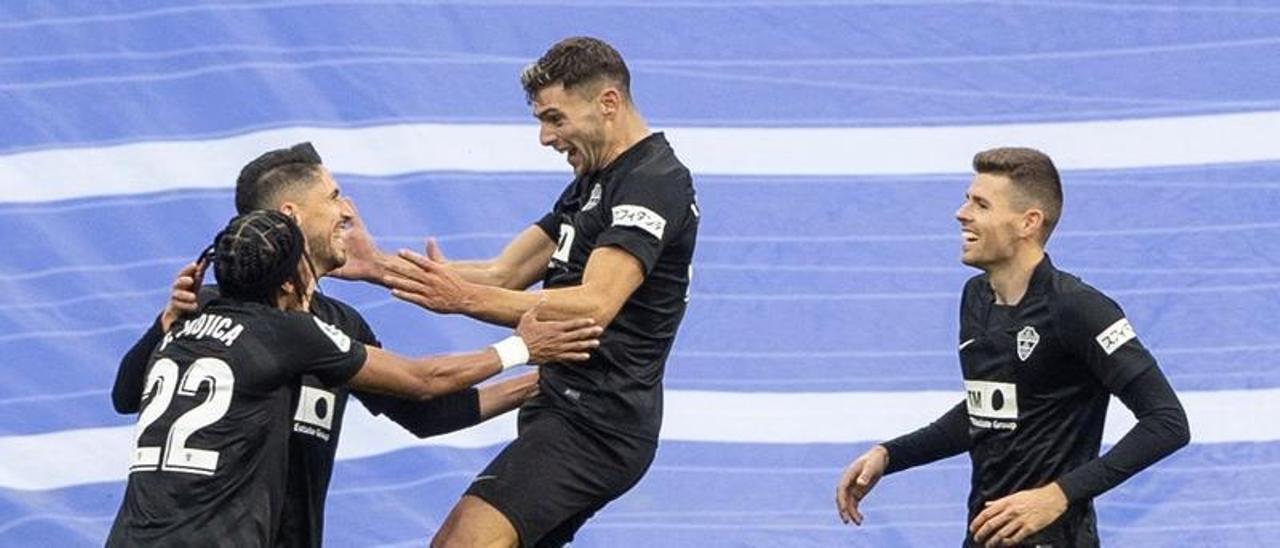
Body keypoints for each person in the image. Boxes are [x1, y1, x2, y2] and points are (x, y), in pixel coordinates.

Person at [337, 36, 700, 547]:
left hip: (597, 427)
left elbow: (595, 305)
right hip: (562, 409)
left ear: (609, 103)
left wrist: (460, 300)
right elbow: (502, 273)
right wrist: (377, 267)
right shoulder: (593, 179)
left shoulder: (653, 180)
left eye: (555, 119)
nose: (546, 138)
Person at [111, 143, 543, 547]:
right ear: (292, 216)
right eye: (334, 196)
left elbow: (427, 412)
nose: (348, 210)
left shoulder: (215, 308)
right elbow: (423, 379)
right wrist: (522, 348)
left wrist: (540, 382)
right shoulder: (264, 322)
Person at [834, 147, 1191, 547]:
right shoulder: (975, 298)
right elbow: (990, 409)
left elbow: (1167, 422)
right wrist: (890, 455)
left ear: (1028, 222)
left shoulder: (1079, 308)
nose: (961, 212)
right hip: (985, 536)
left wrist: (1059, 494)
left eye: (980, 204)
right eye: (968, 198)